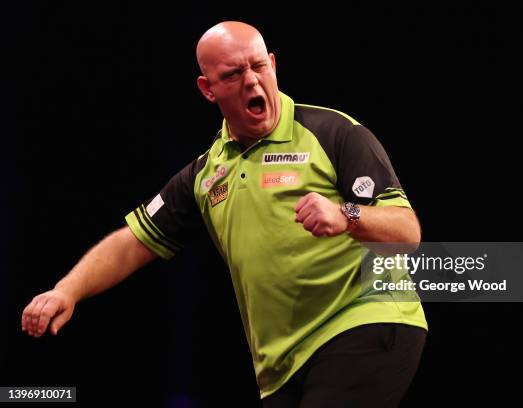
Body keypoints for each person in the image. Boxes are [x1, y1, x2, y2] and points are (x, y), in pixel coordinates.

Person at [21, 21, 428, 407]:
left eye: (258, 66)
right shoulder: (204, 175)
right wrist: (67, 290)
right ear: (207, 88)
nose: (252, 80)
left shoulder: (333, 132)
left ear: (273, 65)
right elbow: (134, 241)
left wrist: (347, 214)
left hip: (363, 321)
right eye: (233, 74)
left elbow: (407, 232)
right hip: (282, 365)